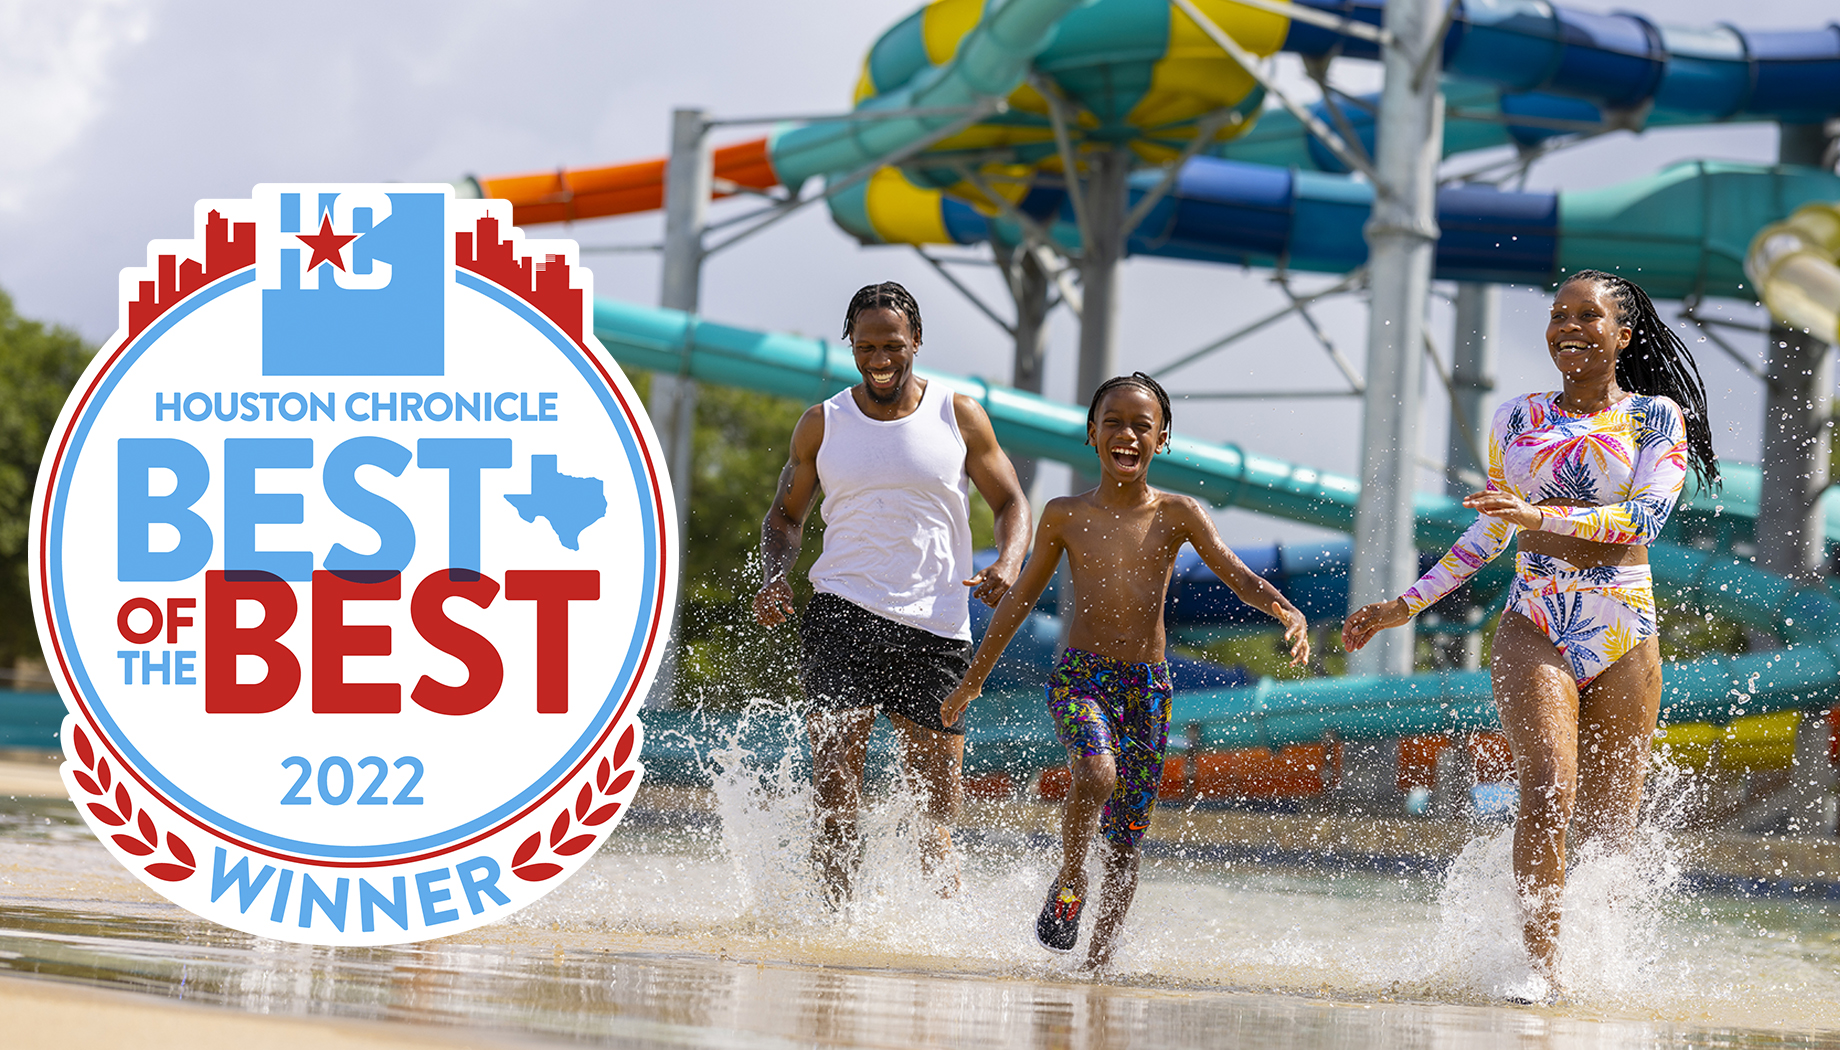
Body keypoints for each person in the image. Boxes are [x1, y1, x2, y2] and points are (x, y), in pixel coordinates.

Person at [1342, 269, 1719, 994]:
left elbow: (1642, 522)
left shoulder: (1655, 418)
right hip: (1535, 619)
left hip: (1624, 627)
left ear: (1623, 335)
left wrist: (1538, 518)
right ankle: (1537, 971)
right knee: (1547, 789)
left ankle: (1595, 972)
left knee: (1611, 835)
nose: (1567, 327)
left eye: (1587, 316)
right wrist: (1406, 606)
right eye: (1557, 315)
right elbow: (1492, 531)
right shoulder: (1517, 416)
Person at [939, 373, 1310, 968]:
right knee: (1095, 772)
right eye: (1113, 422)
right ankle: (1068, 879)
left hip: (1148, 688)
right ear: (1092, 434)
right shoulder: (1064, 515)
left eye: (1142, 425)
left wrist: (1285, 610)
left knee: (1127, 841)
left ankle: (1098, 966)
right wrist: (975, 678)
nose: (1127, 434)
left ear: (1161, 439)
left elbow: (1236, 574)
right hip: (1080, 676)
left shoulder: (1177, 513)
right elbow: (1019, 601)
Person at [753, 281, 1031, 904]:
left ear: (917, 342)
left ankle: (938, 944)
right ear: (851, 343)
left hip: (935, 624)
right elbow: (784, 517)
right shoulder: (823, 423)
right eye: (866, 344)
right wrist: (776, 578)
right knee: (834, 794)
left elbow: (1010, 500)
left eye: (893, 345)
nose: (879, 358)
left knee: (937, 812)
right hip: (841, 613)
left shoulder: (957, 414)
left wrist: (1009, 561)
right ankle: (835, 936)